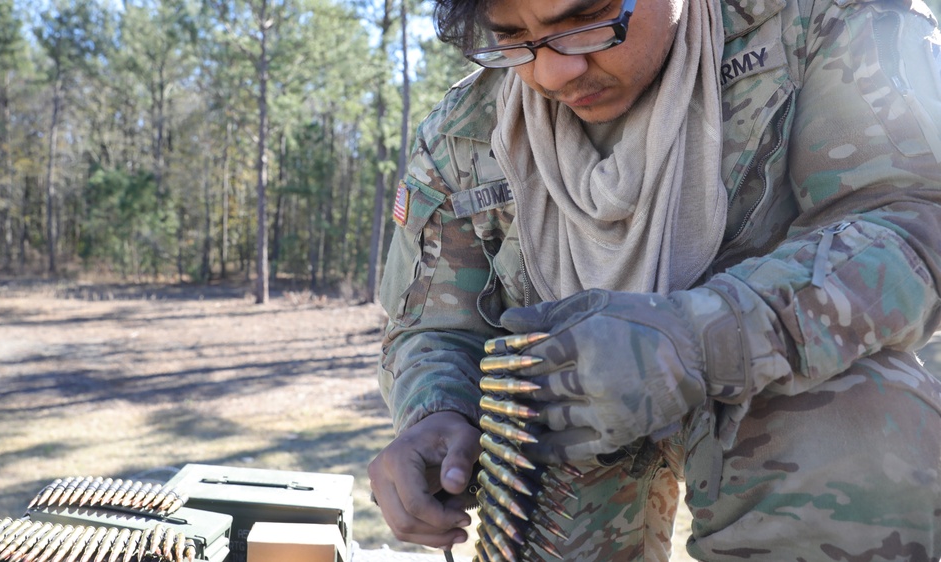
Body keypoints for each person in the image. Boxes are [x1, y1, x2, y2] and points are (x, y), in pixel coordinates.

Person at [367, 0, 941, 557]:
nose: (554, 70)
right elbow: (433, 327)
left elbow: (913, 224)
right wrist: (437, 411)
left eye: (587, 18)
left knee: (854, 424)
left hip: (779, 394)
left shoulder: (821, 21)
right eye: (514, 37)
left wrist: (696, 342)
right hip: (566, 425)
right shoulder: (464, 134)